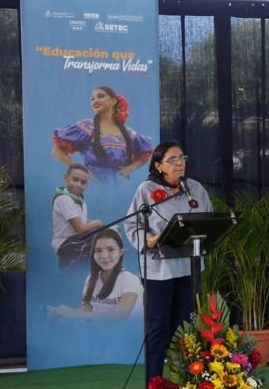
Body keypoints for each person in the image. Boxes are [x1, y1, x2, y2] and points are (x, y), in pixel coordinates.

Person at [123, 141, 212, 381]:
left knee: (186, 329)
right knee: (159, 327)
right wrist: (149, 239)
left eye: (182, 157)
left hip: (189, 267)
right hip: (159, 270)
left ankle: (186, 381)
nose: (179, 163)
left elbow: (209, 219)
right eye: (172, 159)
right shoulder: (146, 190)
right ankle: (154, 382)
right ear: (158, 165)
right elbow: (132, 224)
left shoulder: (195, 188)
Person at [52, 86, 153, 181]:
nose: (95, 101)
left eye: (100, 96)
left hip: (120, 184)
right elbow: (57, 150)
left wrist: (131, 168)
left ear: (113, 101)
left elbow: (146, 152)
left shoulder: (127, 132)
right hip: (93, 183)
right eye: (92, 99)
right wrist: (80, 171)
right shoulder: (86, 126)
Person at [49, 228, 143, 320]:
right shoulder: (91, 278)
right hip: (98, 330)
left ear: (121, 252)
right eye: (98, 250)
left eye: (111, 249)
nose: (104, 256)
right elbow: (86, 313)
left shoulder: (130, 280)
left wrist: (74, 313)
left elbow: (119, 317)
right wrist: (63, 312)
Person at [52, 164, 103, 270]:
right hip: (66, 243)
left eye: (83, 182)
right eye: (75, 180)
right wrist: (98, 223)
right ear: (65, 178)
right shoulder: (64, 199)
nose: (78, 185)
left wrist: (94, 224)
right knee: (103, 237)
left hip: (77, 240)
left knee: (107, 234)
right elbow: (80, 229)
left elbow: (81, 223)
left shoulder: (78, 199)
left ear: (87, 184)